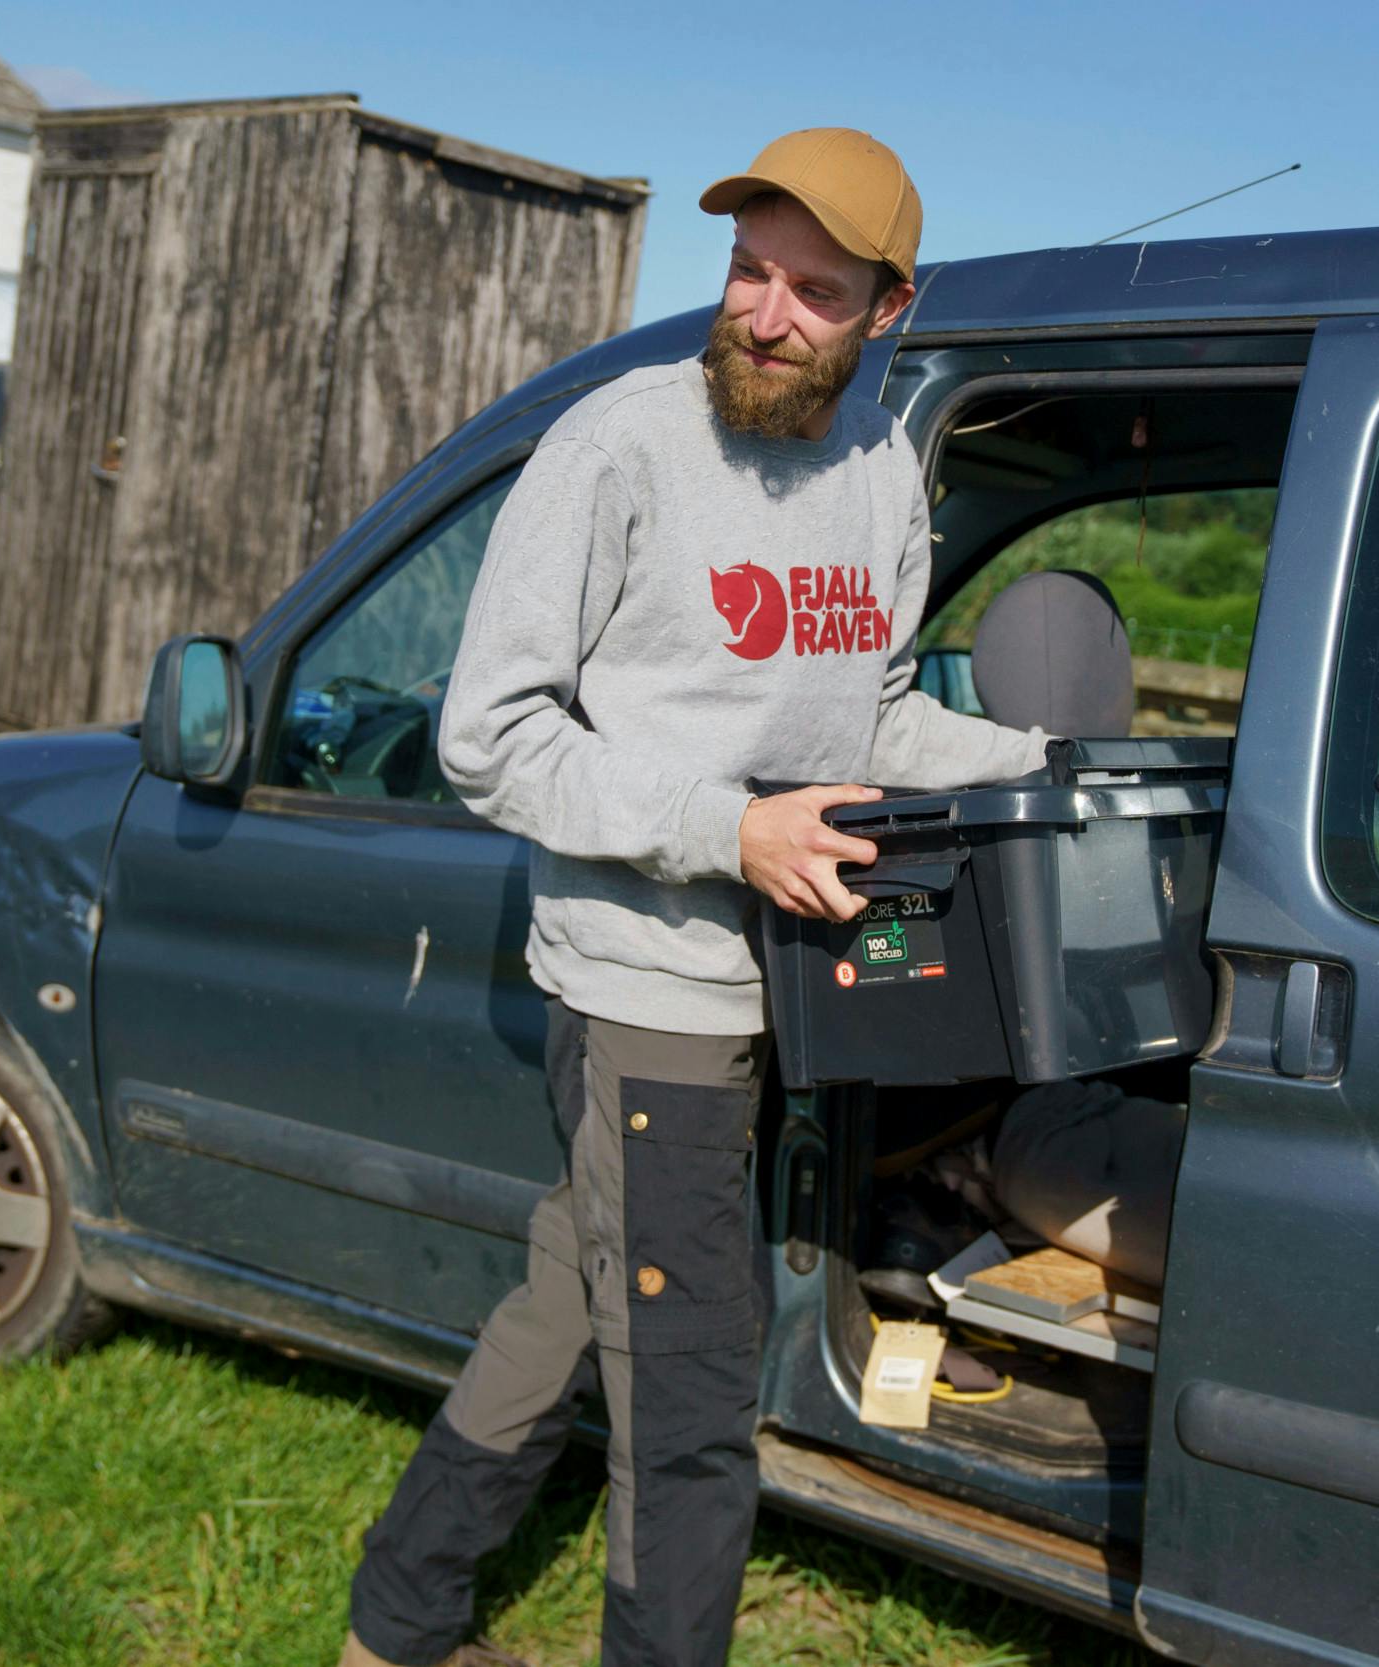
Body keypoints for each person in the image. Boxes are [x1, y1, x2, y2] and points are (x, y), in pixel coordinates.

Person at [340, 129, 1046, 1667]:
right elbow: (490, 739)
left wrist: (1052, 769)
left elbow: (870, 722)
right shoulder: (618, 449)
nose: (765, 316)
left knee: (561, 1309)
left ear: (891, 311)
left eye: (814, 291)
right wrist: (729, 831)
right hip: (646, 989)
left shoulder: (880, 468)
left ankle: (396, 1621)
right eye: (748, 273)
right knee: (693, 1407)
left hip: (798, 976)